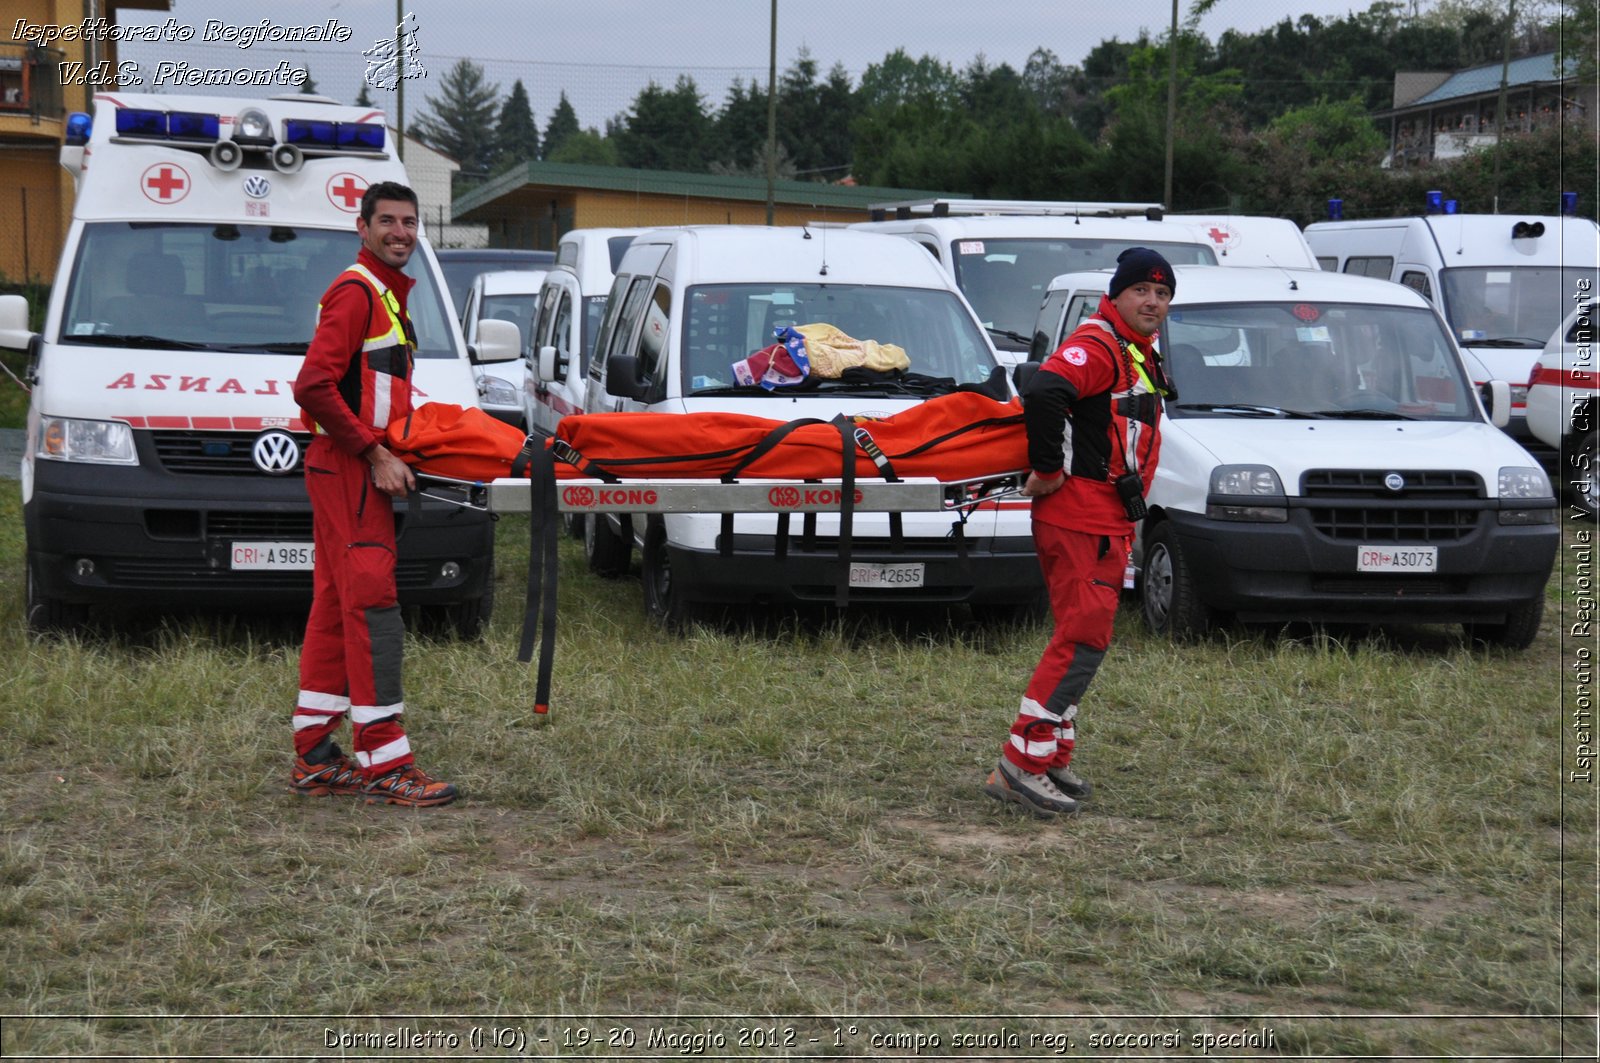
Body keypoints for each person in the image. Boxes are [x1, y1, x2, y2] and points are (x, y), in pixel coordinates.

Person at [983, 247, 1176, 818]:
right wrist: (1047, 470)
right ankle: (1021, 767)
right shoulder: (1097, 345)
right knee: (1082, 641)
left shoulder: (1133, 350)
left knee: (1083, 636)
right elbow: (1045, 391)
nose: (1154, 302)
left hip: (1104, 516)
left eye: (1163, 295)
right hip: (1082, 515)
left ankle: (1050, 753)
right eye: (1142, 290)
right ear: (1117, 296)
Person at [288, 180, 458, 808]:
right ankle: (386, 761)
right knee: (371, 609)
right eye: (387, 221)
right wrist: (375, 451)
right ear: (363, 229)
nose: (401, 232)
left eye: (410, 222)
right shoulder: (358, 292)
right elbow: (313, 386)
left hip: (347, 467)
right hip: (351, 468)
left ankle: (314, 754)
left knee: (336, 607)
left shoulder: (385, 294)